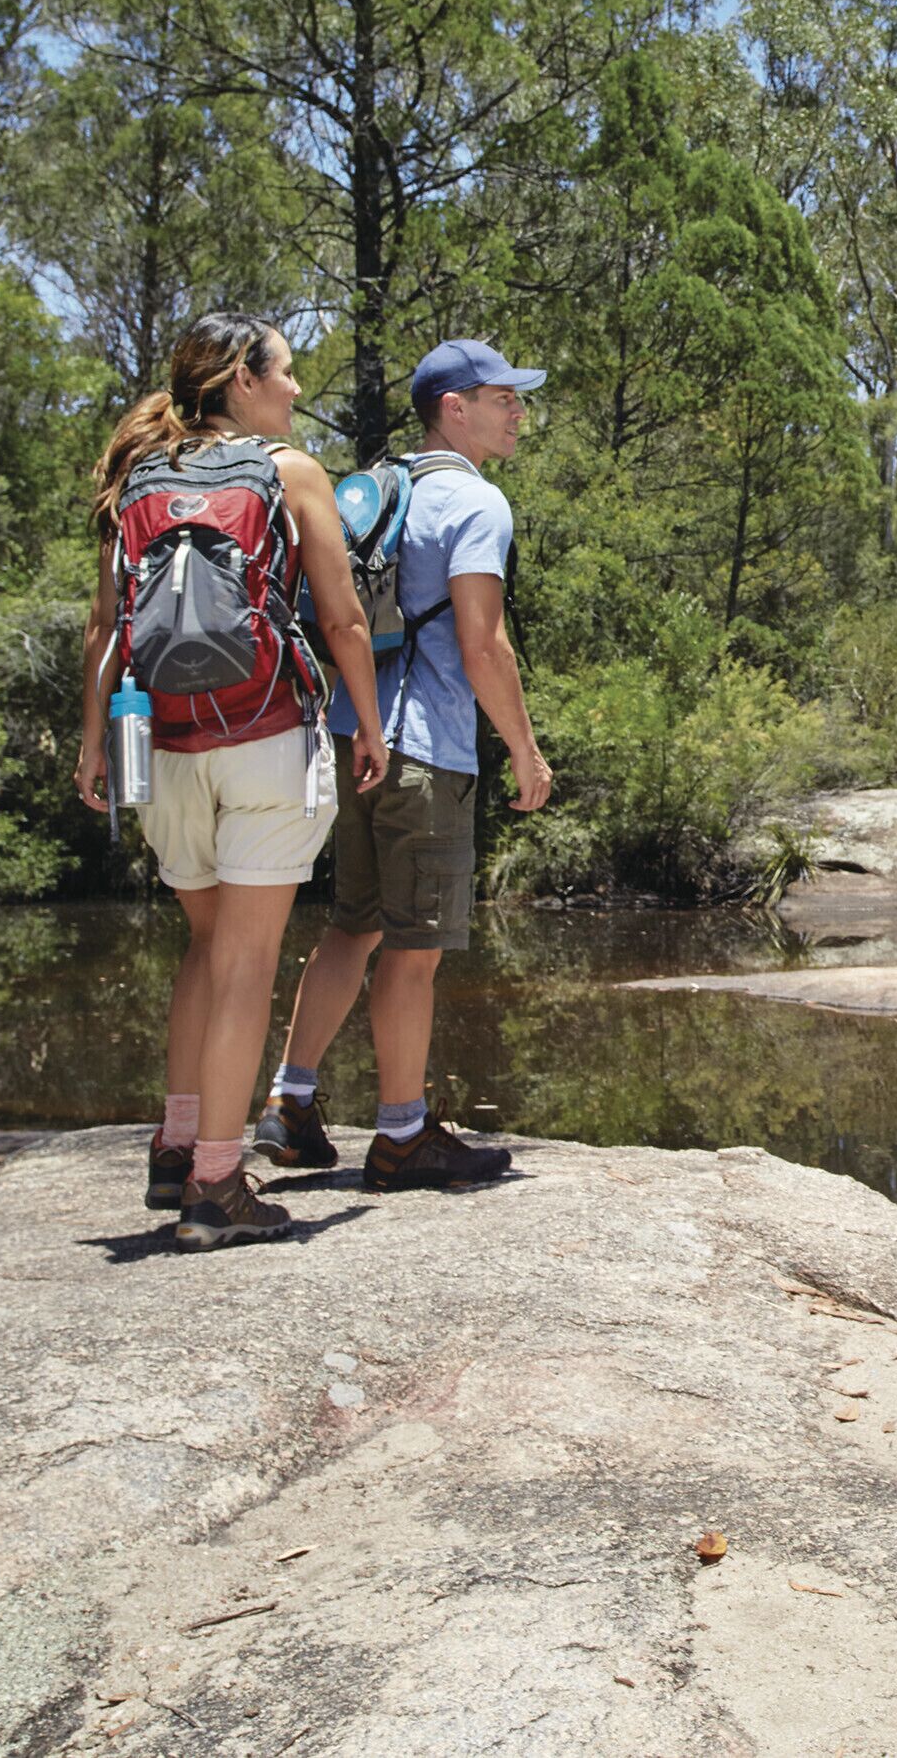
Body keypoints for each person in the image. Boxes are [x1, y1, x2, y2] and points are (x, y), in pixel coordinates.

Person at [79, 314, 389, 1249]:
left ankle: (176, 1148)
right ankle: (218, 1183)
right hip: (264, 738)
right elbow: (341, 621)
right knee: (248, 963)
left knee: (206, 951)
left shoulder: (137, 476)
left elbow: (103, 626)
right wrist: (368, 725)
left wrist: (92, 743)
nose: (296, 390)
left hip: (164, 745)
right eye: (286, 372)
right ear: (242, 381)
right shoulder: (288, 472)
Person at [256, 338, 553, 1189]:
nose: (518, 412)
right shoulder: (477, 503)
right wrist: (525, 751)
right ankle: (400, 1135)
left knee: (354, 922)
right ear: (453, 408)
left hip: (355, 738)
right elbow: (482, 641)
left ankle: (292, 1100)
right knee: (415, 950)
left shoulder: (381, 491)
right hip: (427, 749)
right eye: (503, 398)